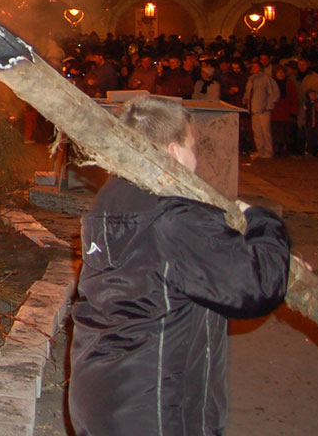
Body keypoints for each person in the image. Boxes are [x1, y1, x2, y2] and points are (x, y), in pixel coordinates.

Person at [69, 97, 290, 436]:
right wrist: (264, 225)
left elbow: (184, 269)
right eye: (193, 146)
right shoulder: (174, 218)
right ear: (173, 152)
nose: (196, 159)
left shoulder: (108, 201)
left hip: (102, 400)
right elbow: (255, 286)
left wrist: (252, 250)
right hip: (155, 410)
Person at [244, 59, 279, 159]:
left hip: (263, 109)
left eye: (255, 67)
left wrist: (268, 106)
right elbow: (247, 92)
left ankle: (268, 151)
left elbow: (274, 93)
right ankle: (260, 150)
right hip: (254, 109)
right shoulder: (251, 79)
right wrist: (246, 100)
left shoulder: (267, 79)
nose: (253, 69)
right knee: (257, 132)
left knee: (265, 132)